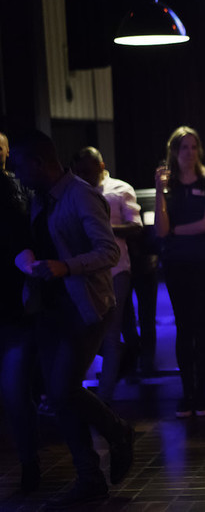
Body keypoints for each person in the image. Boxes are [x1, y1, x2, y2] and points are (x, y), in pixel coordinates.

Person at [10, 131, 134, 508]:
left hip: (84, 307)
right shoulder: (39, 197)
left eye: (20, 166)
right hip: (49, 308)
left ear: (39, 163)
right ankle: (89, 478)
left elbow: (108, 251)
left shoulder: (81, 195)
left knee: (63, 389)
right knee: (59, 396)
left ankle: (118, 431)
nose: (17, 174)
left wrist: (66, 266)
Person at [155, 127, 205, 417]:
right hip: (176, 264)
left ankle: (203, 391)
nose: (190, 152)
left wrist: (176, 231)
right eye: (184, 147)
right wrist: (159, 191)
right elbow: (160, 230)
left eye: (194, 147)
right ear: (174, 151)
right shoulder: (169, 186)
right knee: (184, 328)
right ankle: (188, 392)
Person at [73, 146, 143, 404]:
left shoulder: (119, 189)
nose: (83, 176)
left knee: (111, 333)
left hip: (116, 270)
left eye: (87, 171)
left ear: (101, 167)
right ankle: (84, 394)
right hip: (85, 271)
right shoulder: (77, 191)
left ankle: (102, 399)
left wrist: (103, 228)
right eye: (79, 172)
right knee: (88, 331)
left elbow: (136, 226)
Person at [0, 130, 39, 494]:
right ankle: (29, 464)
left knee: (15, 391)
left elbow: (26, 244)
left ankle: (30, 464)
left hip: (13, 307)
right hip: (13, 306)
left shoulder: (16, 191)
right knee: (15, 392)